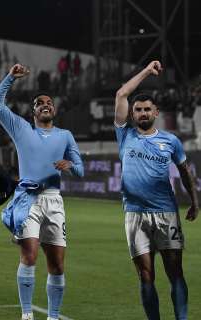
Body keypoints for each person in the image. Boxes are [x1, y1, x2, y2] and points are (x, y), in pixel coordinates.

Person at [0, 64, 84, 320]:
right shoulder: (21, 129)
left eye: (49, 102)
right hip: (27, 199)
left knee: (57, 265)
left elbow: (82, 171)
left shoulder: (65, 136)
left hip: (54, 200)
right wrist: (10, 77)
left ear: (54, 109)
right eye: (40, 102)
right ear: (33, 111)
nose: (45, 104)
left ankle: (53, 316)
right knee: (29, 255)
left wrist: (71, 165)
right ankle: (27, 314)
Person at [114, 60, 198, 320]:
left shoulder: (171, 141)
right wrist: (147, 72)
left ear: (156, 112)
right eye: (137, 110)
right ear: (132, 114)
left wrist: (194, 201)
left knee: (175, 272)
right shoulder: (125, 134)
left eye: (147, 109)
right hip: (134, 214)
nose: (141, 113)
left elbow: (185, 171)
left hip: (165, 212)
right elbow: (121, 94)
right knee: (146, 276)